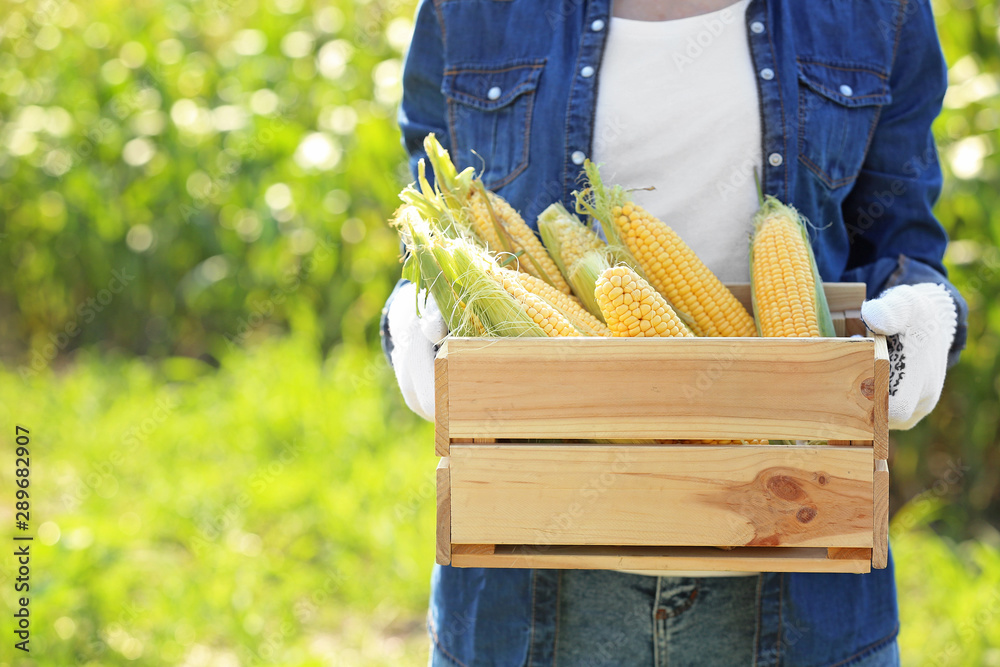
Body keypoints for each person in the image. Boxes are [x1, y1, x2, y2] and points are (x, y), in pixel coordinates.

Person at [381, 0, 969, 664]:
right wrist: (415, 313)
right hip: (532, 585)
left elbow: (901, 233)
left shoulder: (876, 10)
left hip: (797, 561)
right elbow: (435, 206)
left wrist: (923, 315)